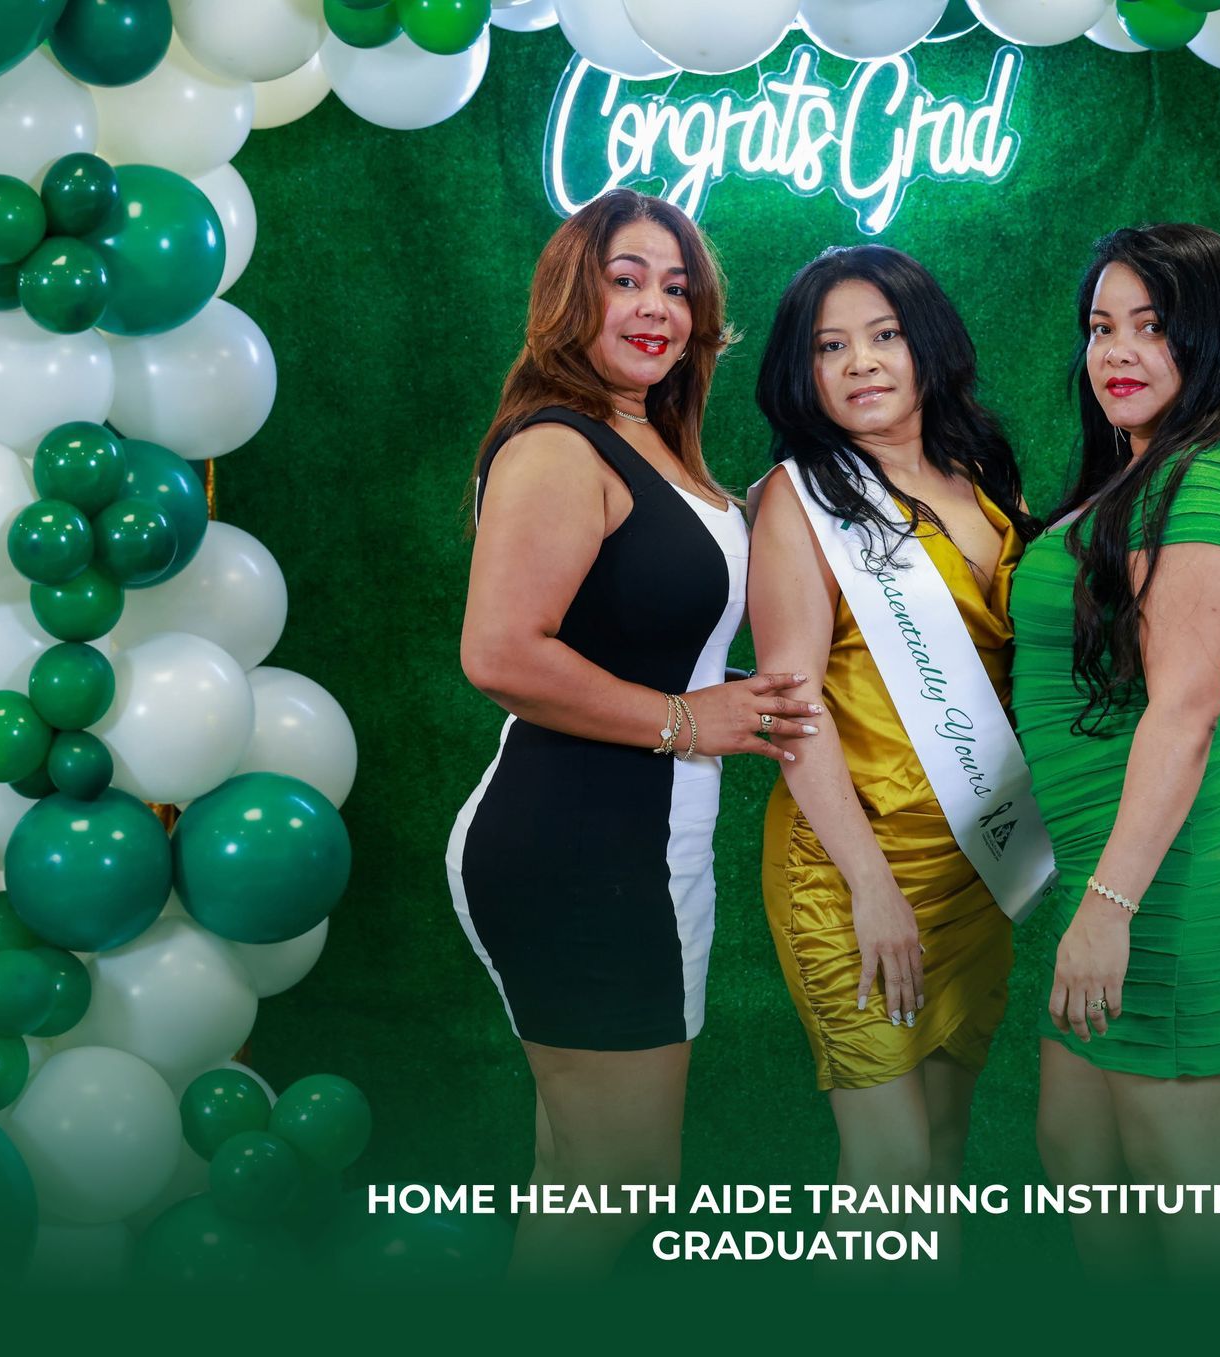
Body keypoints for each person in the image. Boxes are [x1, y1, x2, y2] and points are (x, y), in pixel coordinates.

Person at [449, 189, 821, 1277]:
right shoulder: (560, 445)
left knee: (576, 1184)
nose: (656, 304)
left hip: (640, 851)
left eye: (677, 284)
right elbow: (503, 654)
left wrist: (722, 688)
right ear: (574, 295)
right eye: (626, 278)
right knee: (618, 1186)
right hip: (576, 850)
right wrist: (686, 718)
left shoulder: (653, 440)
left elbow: (648, 634)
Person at [1009, 224, 1220, 1280]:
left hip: (1178, 869)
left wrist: (1108, 906)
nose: (1119, 351)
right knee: (1078, 1146)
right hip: (1132, 857)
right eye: (1103, 327)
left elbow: (1188, 709)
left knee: (1178, 1171)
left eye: (1154, 328)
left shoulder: (1212, 475)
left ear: (1217, 337)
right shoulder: (1140, 476)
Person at [747, 244, 1049, 1228]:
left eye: (883, 336)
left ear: (928, 344)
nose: (862, 362)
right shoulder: (798, 499)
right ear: (804, 371)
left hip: (974, 861)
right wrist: (872, 886)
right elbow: (792, 707)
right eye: (831, 346)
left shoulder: (982, 474)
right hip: (851, 870)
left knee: (945, 1152)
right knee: (891, 1175)